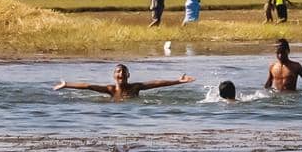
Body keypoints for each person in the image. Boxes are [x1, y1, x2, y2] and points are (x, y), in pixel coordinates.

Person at [55, 65, 196, 102]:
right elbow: (88, 86)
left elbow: (157, 83)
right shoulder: (110, 89)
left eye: (123, 72)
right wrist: (66, 84)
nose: (120, 74)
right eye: (118, 72)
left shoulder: (135, 87)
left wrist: (178, 81)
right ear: (114, 75)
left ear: (128, 75)